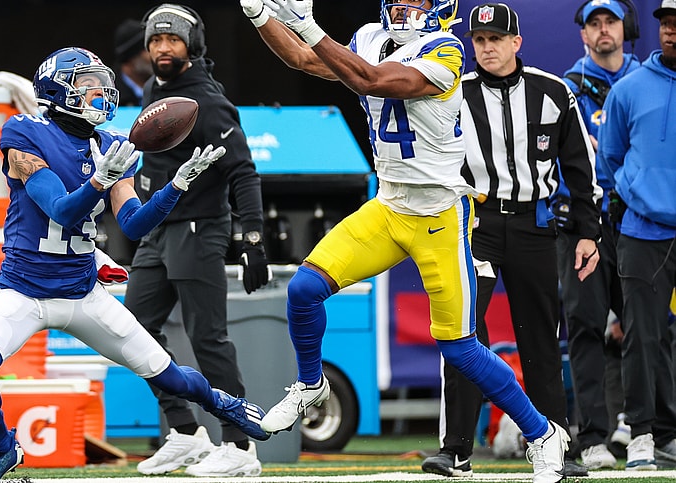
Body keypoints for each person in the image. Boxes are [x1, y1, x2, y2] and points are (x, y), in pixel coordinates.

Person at [240, 1, 570, 482]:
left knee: (459, 349)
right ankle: (310, 385)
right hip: (390, 206)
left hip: (439, 216)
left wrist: (308, 25)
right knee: (303, 290)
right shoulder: (370, 35)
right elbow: (305, 60)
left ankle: (543, 436)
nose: (403, 8)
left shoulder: (448, 50)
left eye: (415, 0)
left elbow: (372, 81)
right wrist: (259, 15)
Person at [0, 46, 269, 483]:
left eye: (102, 84)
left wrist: (176, 187)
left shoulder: (109, 144)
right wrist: (99, 179)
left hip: (84, 293)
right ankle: (1, 448)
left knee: (170, 376)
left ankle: (225, 406)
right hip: (24, 290)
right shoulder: (24, 132)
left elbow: (135, 224)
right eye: (87, 85)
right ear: (54, 89)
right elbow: (60, 210)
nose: (100, 92)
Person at [419, 3, 601, 478]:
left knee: (540, 337)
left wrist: (588, 233)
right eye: (479, 40)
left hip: (534, 226)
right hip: (474, 227)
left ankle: (556, 447)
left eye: (496, 39)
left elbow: (581, 169)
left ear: (516, 42)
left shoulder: (554, 92)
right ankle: (456, 449)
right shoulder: (452, 91)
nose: (487, 48)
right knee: (463, 333)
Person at [122, 4, 271, 477]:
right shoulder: (153, 88)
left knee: (208, 339)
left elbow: (243, 171)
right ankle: (186, 431)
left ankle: (240, 445)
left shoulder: (206, 100)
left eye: (173, 40)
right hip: (158, 229)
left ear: (193, 45)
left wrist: (252, 239)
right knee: (132, 330)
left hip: (200, 228)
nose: (163, 48)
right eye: (156, 40)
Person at [556, 0, 641, 469]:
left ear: (623, 28)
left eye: (610, 21)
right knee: (586, 328)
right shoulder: (566, 89)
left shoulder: (650, 81)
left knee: (648, 328)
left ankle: (647, 429)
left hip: (640, 221)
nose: (603, 29)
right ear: (583, 33)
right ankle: (591, 437)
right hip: (584, 221)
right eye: (594, 23)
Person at [598, 0, 676, 470]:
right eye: (666, 25)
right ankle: (644, 434)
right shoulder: (628, 90)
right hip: (643, 232)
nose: (671, 32)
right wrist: (636, 196)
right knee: (642, 338)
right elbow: (609, 160)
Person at [113, 18, 153, 106]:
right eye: (147, 50)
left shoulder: (164, 90)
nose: (155, 55)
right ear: (130, 57)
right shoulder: (108, 96)